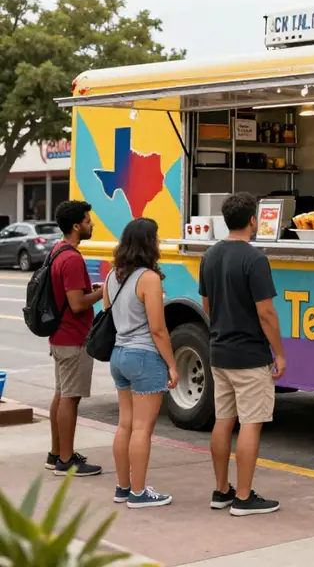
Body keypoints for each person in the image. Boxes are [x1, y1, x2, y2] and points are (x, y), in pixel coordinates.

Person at [199, 192, 286, 517]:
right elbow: (266, 313)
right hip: (249, 354)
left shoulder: (209, 255)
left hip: (219, 352)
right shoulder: (255, 259)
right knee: (251, 422)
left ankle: (221, 490)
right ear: (253, 220)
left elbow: (207, 304)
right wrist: (280, 353)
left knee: (224, 420)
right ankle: (245, 497)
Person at [105, 218, 178, 509]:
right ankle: (139, 492)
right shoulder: (149, 278)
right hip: (144, 356)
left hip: (119, 355)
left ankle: (123, 487)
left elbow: (109, 313)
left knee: (125, 425)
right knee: (142, 429)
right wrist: (172, 364)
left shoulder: (113, 275)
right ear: (149, 243)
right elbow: (158, 329)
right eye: (157, 238)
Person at [46, 200, 103, 477]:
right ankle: (66, 461)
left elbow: (71, 295)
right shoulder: (72, 258)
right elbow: (78, 304)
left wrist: (86, 291)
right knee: (70, 397)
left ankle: (56, 453)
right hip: (73, 338)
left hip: (59, 337)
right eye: (88, 220)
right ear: (76, 226)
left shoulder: (57, 251)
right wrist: (102, 293)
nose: (92, 224)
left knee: (61, 394)